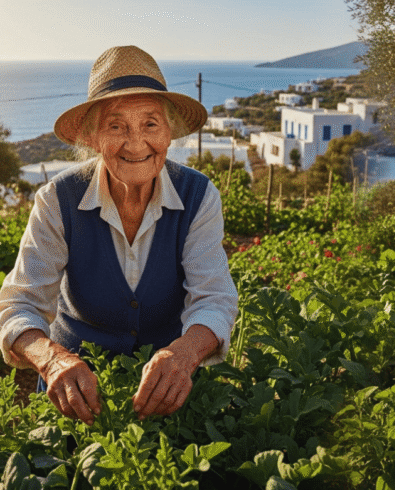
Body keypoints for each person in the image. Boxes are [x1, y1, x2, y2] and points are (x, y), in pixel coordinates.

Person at [0, 46, 238, 426]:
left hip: (168, 389)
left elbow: (214, 296)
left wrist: (184, 354)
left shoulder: (198, 195)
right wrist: (53, 359)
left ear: (170, 132)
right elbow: (18, 305)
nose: (136, 143)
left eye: (150, 124)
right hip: (75, 394)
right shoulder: (57, 200)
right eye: (116, 126)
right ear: (92, 137)